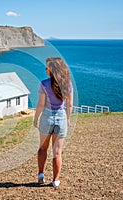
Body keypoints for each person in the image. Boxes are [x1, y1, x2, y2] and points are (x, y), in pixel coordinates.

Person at [33, 57, 73, 187]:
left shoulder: (43, 84)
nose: (45, 69)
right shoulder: (68, 84)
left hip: (46, 118)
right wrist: (67, 119)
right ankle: (55, 180)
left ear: (52, 70)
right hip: (61, 118)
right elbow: (70, 105)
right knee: (57, 152)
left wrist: (35, 118)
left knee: (42, 148)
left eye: (47, 67)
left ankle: (40, 174)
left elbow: (40, 104)